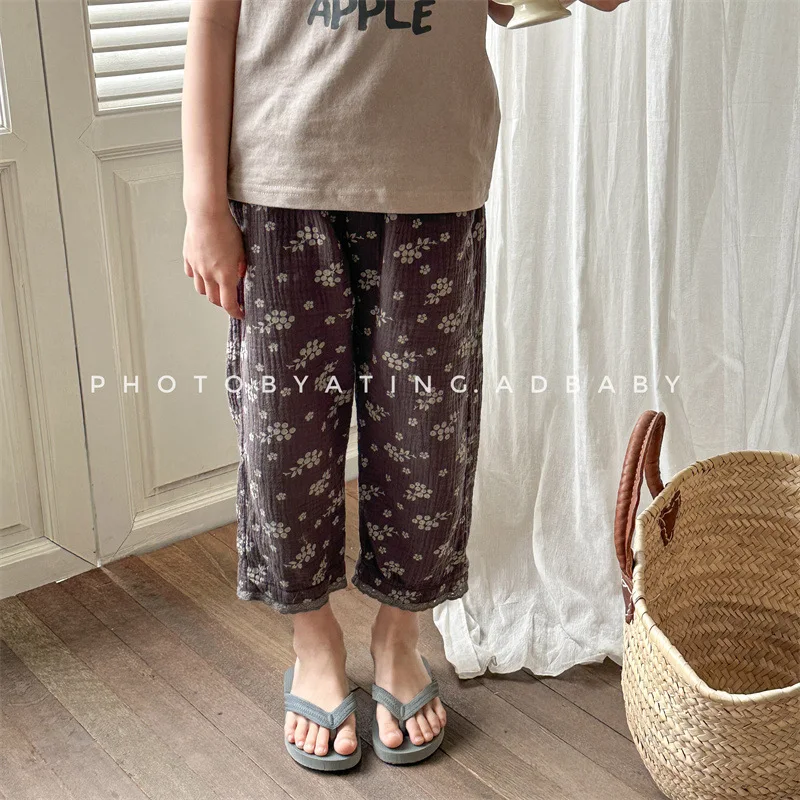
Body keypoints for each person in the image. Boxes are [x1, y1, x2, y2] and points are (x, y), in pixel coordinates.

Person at [182, 0, 627, 771]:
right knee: (282, 442)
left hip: (431, 186)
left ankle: (399, 633)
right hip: (279, 183)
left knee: (427, 443)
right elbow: (213, 20)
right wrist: (201, 204)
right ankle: (313, 639)